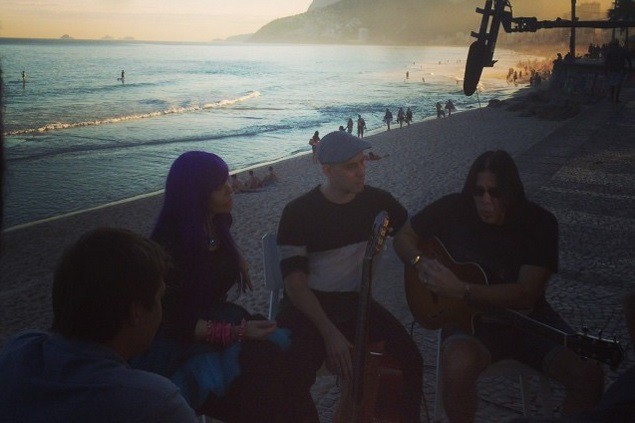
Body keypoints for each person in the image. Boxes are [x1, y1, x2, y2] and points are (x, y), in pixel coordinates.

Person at [393, 150, 604, 422]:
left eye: (495, 192)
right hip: (468, 321)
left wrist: (462, 290)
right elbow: (403, 236)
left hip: (529, 321)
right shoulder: (454, 209)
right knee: (457, 367)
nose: (485, 200)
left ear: (511, 192)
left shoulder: (539, 224)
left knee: (589, 374)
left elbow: (526, 295)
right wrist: (420, 263)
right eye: (478, 191)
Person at [131, 151, 298, 422]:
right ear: (195, 194)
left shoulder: (217, 222)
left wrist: (237, 260)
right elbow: (177, 324)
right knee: (262, 383)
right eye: (219, 186)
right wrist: (239, 332)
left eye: (227, 180)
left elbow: (215, 252)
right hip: (182, 342)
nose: (230, 189)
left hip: (217, 317)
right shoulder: (170, 248)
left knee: (282, 366)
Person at [276, 131, 424, 422]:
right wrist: (330, 333)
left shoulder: (377, 203)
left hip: (356, 304)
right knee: (290, 376)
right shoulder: (299, 212)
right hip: (308, 309)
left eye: (362, 162)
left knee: (411, 360)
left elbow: (406, 229)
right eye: (351, 166)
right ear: (327, 170)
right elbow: (295, 287)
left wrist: (415, 260)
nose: (361, 172)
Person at [0, 228, 199, 422]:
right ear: (135, 313)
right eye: (159, 298)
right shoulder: (155, 404)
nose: (161, 311)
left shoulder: (17, 351)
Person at [604, 39, 633, 104]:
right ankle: (615, 99)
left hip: (612, 70)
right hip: (620, 70)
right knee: (617, 85)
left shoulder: (610, 51)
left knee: (612, 84)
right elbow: (629, 60)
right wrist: (630, 69)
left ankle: (612, 99)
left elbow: (606, 62)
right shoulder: (622, 50)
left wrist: (605, 70)